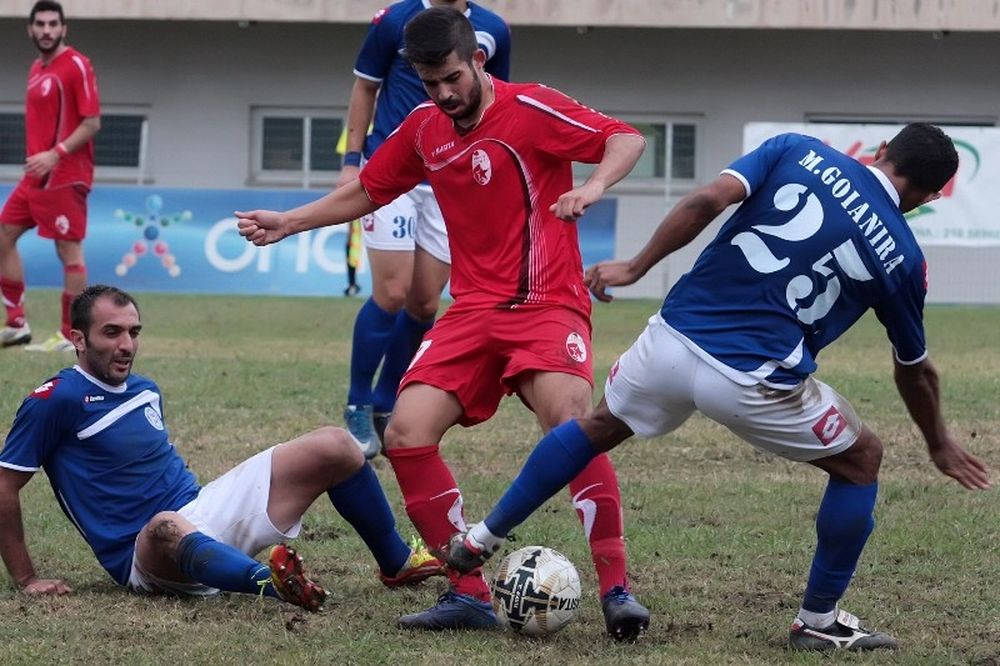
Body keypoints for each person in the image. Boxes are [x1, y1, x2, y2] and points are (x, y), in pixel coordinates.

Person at [445, 123, 993, 650]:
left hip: (672, 339)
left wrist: (636, 266)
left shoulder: (797, 149)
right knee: (863, 459)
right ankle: (818, 620)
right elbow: (913, 368)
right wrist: (938, 441)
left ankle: (482, 537)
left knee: (595, 428)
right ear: (924, 195)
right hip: (753, 378)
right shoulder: (904, 257)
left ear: (881, 150)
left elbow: (707, 200)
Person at [237, 7, 650, 639]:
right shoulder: (425, 127)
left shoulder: (533, 108)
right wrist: (290, 221)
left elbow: (627, 138)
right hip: (475, 310)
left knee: (573, 426)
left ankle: (616, 589)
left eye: (452, 78)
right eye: (431, 84)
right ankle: (468, 593)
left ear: (478, 60)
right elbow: (370, 190)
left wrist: (593, 186)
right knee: (405, 432)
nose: (444, 93)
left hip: (546, 303)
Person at [0, 285, 444, 607]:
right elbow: (5, 486)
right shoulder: (56, 399)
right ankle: (273, 583)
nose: (127, 345)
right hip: (147, 552)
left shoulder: (145, 389)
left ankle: (398, 562)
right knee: (165, 525)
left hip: (202, 508)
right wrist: (26, 577)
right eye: (111, 333)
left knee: (335, 445)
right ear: (78, 339)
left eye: (133, 332)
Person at [337, 0, 511, 458]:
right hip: (391, 172)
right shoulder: (395, 20)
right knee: (391, 293)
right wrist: (351, 163)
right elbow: (365, 88)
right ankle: (357, 403)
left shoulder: (494, 29)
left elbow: (498, 98)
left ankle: (385, 401)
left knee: (424, 302)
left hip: (449, 176)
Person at [0, 1, 100, 353]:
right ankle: (16, 324)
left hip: (65, 173)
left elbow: (92, 122)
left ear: (63, 29)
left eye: (52, 24)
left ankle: (71, 336)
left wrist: (54, 154)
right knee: (3, 234)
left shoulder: (75, 64)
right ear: (30, 29)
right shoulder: (36, 69)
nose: (46, 30)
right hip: (35, 178)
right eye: (39, 24)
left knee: (68, 251)